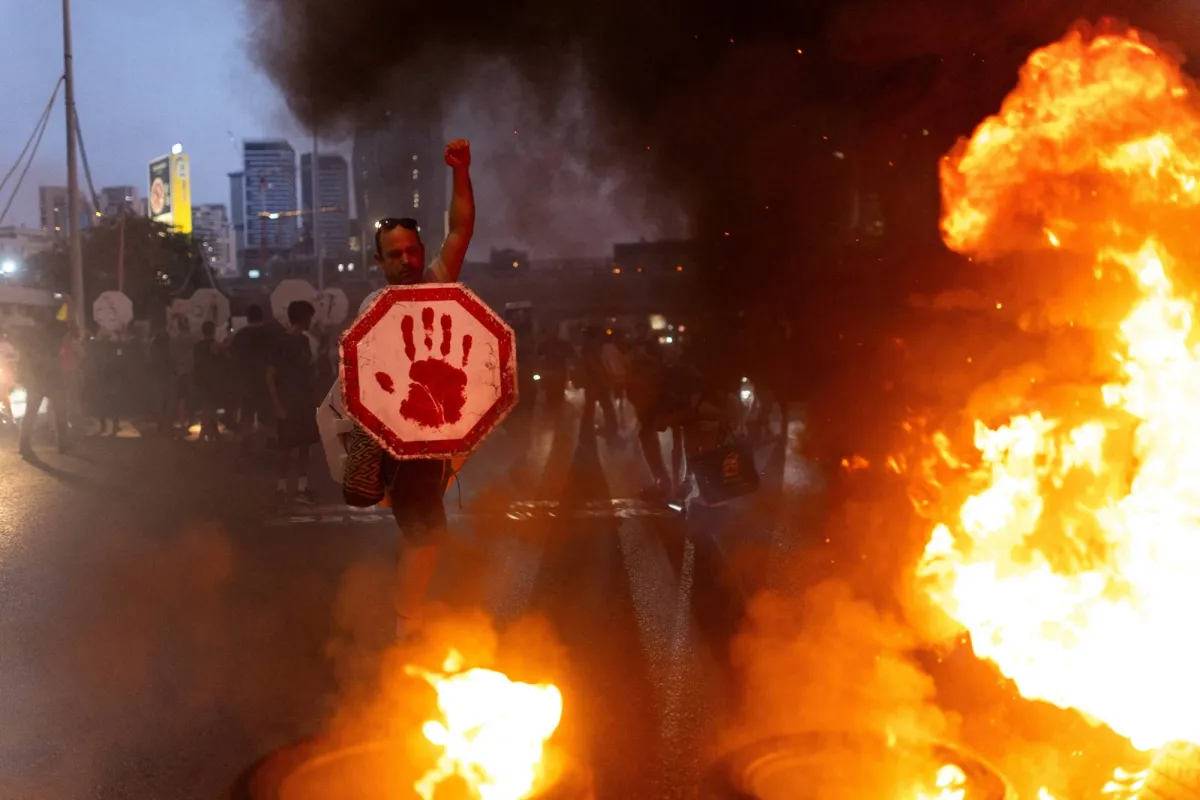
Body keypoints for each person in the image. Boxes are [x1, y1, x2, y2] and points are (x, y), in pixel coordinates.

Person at [342, 138, 475, 643]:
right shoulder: (373, 309)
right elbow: (363, 384)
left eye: (412, 250)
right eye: (394, 254)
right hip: (402, 441)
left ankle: (409, 617)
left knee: (425, 536)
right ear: (379, 261)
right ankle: (407, 627)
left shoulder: (437, 285)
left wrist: (461, 172)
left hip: (443, 434)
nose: (406, 259)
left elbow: (461, 229)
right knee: (427, 535)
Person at [268, 300, 319, 507]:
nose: (311, 321)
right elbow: (270, 376)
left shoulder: (304, 342)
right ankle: (281, 488)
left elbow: (307, 371)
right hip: (289, 401)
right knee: (286, 447)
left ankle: (301, 488)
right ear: (303, 318)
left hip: (303, 401)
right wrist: (278, 405)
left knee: (304, 445)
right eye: (309, 317)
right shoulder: (282, 342)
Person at [17, 312, 71, 457]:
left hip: (36, 380)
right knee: (60, 413)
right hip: (51, 378)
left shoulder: (30, 339)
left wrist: (23, 379)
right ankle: (63, 444)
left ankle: (24, 445)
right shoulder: (54, 337)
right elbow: (66, 326)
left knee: (31, 414)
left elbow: (24, 361)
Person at [229, 305, 273, 451]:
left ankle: (245, 445)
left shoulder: (239, 336)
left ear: (247, 318)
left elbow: (231, 357)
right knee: (266, 416)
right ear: (262, 317)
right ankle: (266, 446)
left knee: (246, 416)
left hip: (245, 382)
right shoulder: (269, 335)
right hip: (265, 381)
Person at [193, 320, 224, 443]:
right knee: (210, 406)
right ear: (213, 331)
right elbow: (221, 361)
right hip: (213, 380)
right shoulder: (215, 345)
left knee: (207, 405)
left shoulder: (197, 346)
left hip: (200, 380)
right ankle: (204, 433)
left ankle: (211, 431)